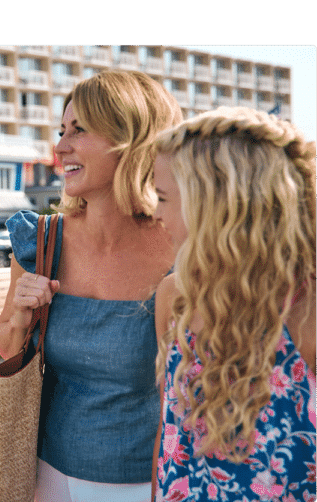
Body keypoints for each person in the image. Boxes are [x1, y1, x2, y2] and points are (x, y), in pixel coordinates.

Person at [0, 70, 183, 502]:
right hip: (47, 479)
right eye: (61, 131)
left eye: (79, 131)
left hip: (149, 485)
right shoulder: (41, 241)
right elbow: (5, 348)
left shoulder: (180, 245)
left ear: (131, 138)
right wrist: (21, 317)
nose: (61, 147)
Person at [151, 106, 316, 501]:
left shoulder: (306, 314)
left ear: (215, 210)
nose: (156, 214)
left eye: (163, 198)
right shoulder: (174, 299)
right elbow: (167, 438)